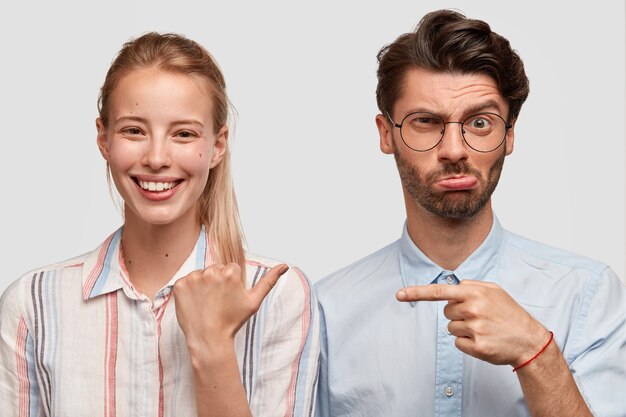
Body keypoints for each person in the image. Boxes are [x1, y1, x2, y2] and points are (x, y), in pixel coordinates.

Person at [315, 9, 626, 417]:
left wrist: (537, 351)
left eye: (480, 122)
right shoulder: (326, 309)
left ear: (509, 134)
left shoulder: (586, 294)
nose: (455, 150)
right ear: (386, 134)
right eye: (425, 121)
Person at [0, 32, 319, 417]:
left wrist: (212, 345)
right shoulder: (33, 304)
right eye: (134, 130)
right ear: (103, 138)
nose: (156, 157)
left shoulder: (278, 296)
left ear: (217, 146)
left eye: (183, 134)